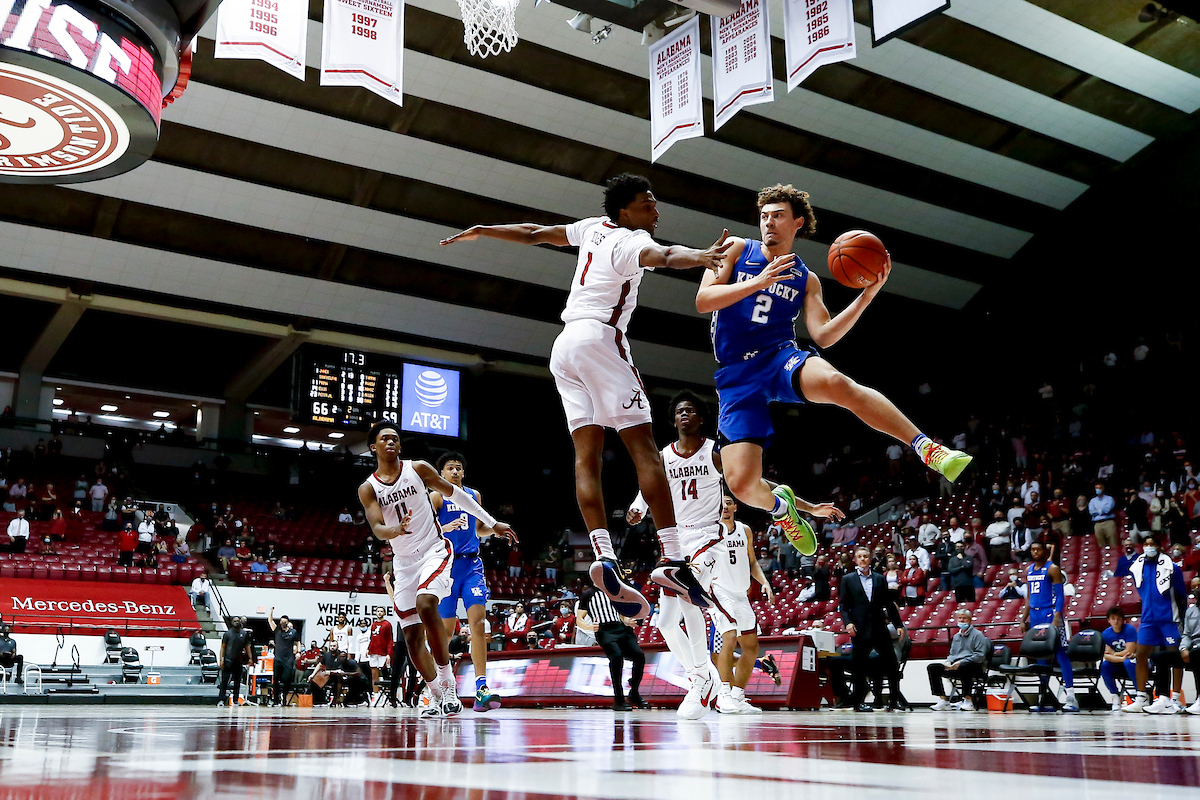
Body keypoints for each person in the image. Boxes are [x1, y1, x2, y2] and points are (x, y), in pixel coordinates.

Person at [441, 173, 727, 615]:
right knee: (646, 450)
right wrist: (703, 257)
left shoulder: (592, 228)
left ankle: (603, 555)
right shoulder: (629, 241)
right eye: (648, 203)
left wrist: (483, 229)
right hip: (600, 339)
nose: (656, 210)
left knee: (585, 457)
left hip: (564, 347)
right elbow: (665, 255)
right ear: (626, 212)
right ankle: (673, 558)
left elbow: (535, 233)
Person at [694, 184, 971, 559]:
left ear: (798, 223)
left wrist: (867, 296)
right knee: (741, 486)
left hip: (779, 358)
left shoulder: (806, 279)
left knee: (839, 382)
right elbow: (703, 300)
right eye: (764, 216)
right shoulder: (737, 249)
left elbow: (823, 335)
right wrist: (759, 282)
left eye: (777, 215)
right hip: (736, 376)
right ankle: (781, 508)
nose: (769, 223)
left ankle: (928, 448)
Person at [358, 421, 515, 718]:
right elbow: (377, 528)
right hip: (403, 563)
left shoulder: (417, 469)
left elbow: (458, 495)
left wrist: (492, 523)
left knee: (426, 602)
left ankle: (449, 682)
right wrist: (395, 530)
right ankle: (435, 692)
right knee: (414, 638)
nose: (390, 442)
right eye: (384, 439)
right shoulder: (369, 488)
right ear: (373, 447)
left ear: (400, 446)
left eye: (395, 438)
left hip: (434, 551)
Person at [434, 451, 517, 713]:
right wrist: (447, 528)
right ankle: (439, 688)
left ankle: (481, 687)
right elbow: (426, 531)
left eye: (459, 468)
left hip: (471, 564)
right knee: (445, 633)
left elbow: (479, 528)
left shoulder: (473, 495)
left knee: (478, 624)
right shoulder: (436, 497)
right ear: (442, 474)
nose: (455, 471)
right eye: (450, 468)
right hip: (446, 566)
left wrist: (495, 530)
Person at [712, 493, 775, 715]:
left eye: (728, 503)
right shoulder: (710, 531)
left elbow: (752, 562)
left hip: (741, 593)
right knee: (729, 637)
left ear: (735, 507)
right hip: (718, 590)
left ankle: (738, 696)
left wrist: (765, 583)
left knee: (751, 647)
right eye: (720, 504)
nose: (724, 507)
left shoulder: (744, 530)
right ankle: (723, 695)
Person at [1117, 533, 1189, 713]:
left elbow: (1181, 595)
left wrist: (1181, 618)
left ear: (1159, 547)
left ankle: (1175, 699)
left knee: (1174, 658)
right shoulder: (1138, 567)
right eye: (1146, 544)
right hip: (1148, 619)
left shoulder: (1172, 568)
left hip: (1169, 619)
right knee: (1141, 655)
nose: (1148, 547)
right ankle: (1141, 697)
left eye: (1152, 544)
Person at [838, 546, 908, 711]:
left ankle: (894, 700)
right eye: (860, 556)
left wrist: (898, 624)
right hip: (859, 628)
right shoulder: (848, 579)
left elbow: (888, 603)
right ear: (855, 559)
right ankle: (858, 702)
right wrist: (848, 623)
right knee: (859, 667)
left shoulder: (879, 578)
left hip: (879, 627)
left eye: (865, 556)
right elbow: (844, 605)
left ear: (869, 559)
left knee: (891, 665)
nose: (863, 559)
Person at [1019, 541, 1078, 712]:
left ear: (1045, 551)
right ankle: (1044, 699)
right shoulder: (1029, 570)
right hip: (1035, 615)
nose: (1035, 552)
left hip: (1049, 613)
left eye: (1038, 549)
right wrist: (1023, 618)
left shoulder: (1053, 568)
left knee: (1059, 652)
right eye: (1033, 549)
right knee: (1040, 655)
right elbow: (1029, 597)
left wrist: (1057, 616)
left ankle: (1071, 697)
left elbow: (1060, 596)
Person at [581, 585, 646, 711]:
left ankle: (634, 692)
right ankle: (619, 699)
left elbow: (621, 615)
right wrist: (590, 627)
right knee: (616, 657)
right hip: (604, 630)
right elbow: (579, 619)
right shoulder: (588, 593)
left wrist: (628, 621)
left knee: (639, 655)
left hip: (621, 628)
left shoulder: (615, 590)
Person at [928, 609, 991, 711]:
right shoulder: (956, 636)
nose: (962, 620)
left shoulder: (978, 635)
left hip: (973, 665)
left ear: (970, 620)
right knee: (932, 668)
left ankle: (968, 699)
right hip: (956, 665)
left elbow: (980, 656)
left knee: (964, 666)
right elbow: (953, 654)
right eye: (960, 618)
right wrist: (948, 662)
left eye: (964, 618)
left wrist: (961, 662)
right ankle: (943, 700)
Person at [1100, 606, 1138, 712]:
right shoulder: (1106, 634)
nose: (1116, 621)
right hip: (1119, 662)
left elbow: (1129, 651)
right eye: (1113, 618)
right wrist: (1119, 657)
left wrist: (1113, 653)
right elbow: (1106, 656)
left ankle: (1139, 693)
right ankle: (1115, 695)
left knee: (1128, 662)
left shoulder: (1129, 629)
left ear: (1123, 620)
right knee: (1105, 665)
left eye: (1118, 618)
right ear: (1108, 620)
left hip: (1132, 662)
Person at [217, 616, 253, 706]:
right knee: (224, 681)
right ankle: (221, 699)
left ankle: (236, 700)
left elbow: (247, 647)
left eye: (238, 621)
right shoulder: (227, 634)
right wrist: (221, 660)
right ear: (232, 622)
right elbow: (223, 648)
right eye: (235, 621)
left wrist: (250, 658)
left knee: (237, 682)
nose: (236, 622)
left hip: (239, 661)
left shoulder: (244, 634)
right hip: (228, 660)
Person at [267, 608, 299, 706]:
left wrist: (298, 651)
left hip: (288, 659)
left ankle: (284, 699)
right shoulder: (277, 630)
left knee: (286, 680)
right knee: (276, 680)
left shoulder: (293, 632)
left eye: (284, 621)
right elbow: (270, 620)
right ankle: (276, 699)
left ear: (287, 622)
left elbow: (298, 642)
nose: (282, 623)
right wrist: (271, 610)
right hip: (278, 658)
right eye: (281, 621)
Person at [367, 606, 394, 694]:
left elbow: (390, 639)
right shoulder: (373, 624)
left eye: (381, 611)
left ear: (384, 613)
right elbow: (372, 637)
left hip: (383, 652)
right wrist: (368, 648)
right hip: (373, 651)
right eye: (378, 611)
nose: (379, 613)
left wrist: (389, 653)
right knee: (374, 673)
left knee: (385, 672)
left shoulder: (387, 624)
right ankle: (375, 693)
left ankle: (386, 693)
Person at [1089, 482, 1117, 548]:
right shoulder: (1092, 501)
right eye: (1097, 488)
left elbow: (1107, 510)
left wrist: (1097, 510)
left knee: (1112, 542)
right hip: (1097, 524)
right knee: (1101, 544)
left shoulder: (1109, 499)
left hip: (1108, 522)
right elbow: (1091, 512)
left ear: (1103, 489)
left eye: (1100, 488)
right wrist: (1101, 510)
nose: (1098, 489)